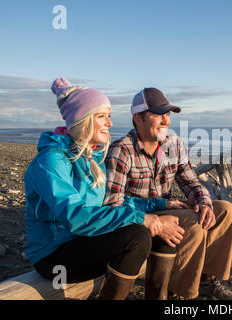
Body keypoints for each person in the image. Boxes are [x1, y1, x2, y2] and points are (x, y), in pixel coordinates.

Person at [24, 78, 185, 300]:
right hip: (53, 257)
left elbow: (113, 201)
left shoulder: (92, 157)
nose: (109, 123)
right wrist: (142, 218)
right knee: (137, 235)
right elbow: (75, 216)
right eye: (102, 116)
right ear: (83, 120)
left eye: (109, 116)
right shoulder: (51, 161)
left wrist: (159, 206)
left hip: (84, 240)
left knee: (163, 231)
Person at [103, 87, 232, 300]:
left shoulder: (173, 144)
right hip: (138, 219)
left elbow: (191, 181)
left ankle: (207, 279)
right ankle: (180, 292)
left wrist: (203, 201)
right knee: (193, 223)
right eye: (158, 115)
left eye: (167, 115)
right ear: (138, 118)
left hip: (165, 207)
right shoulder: (122, 150)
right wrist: (154, 211)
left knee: (225, 210)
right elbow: (112, 204)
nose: (166, 121)